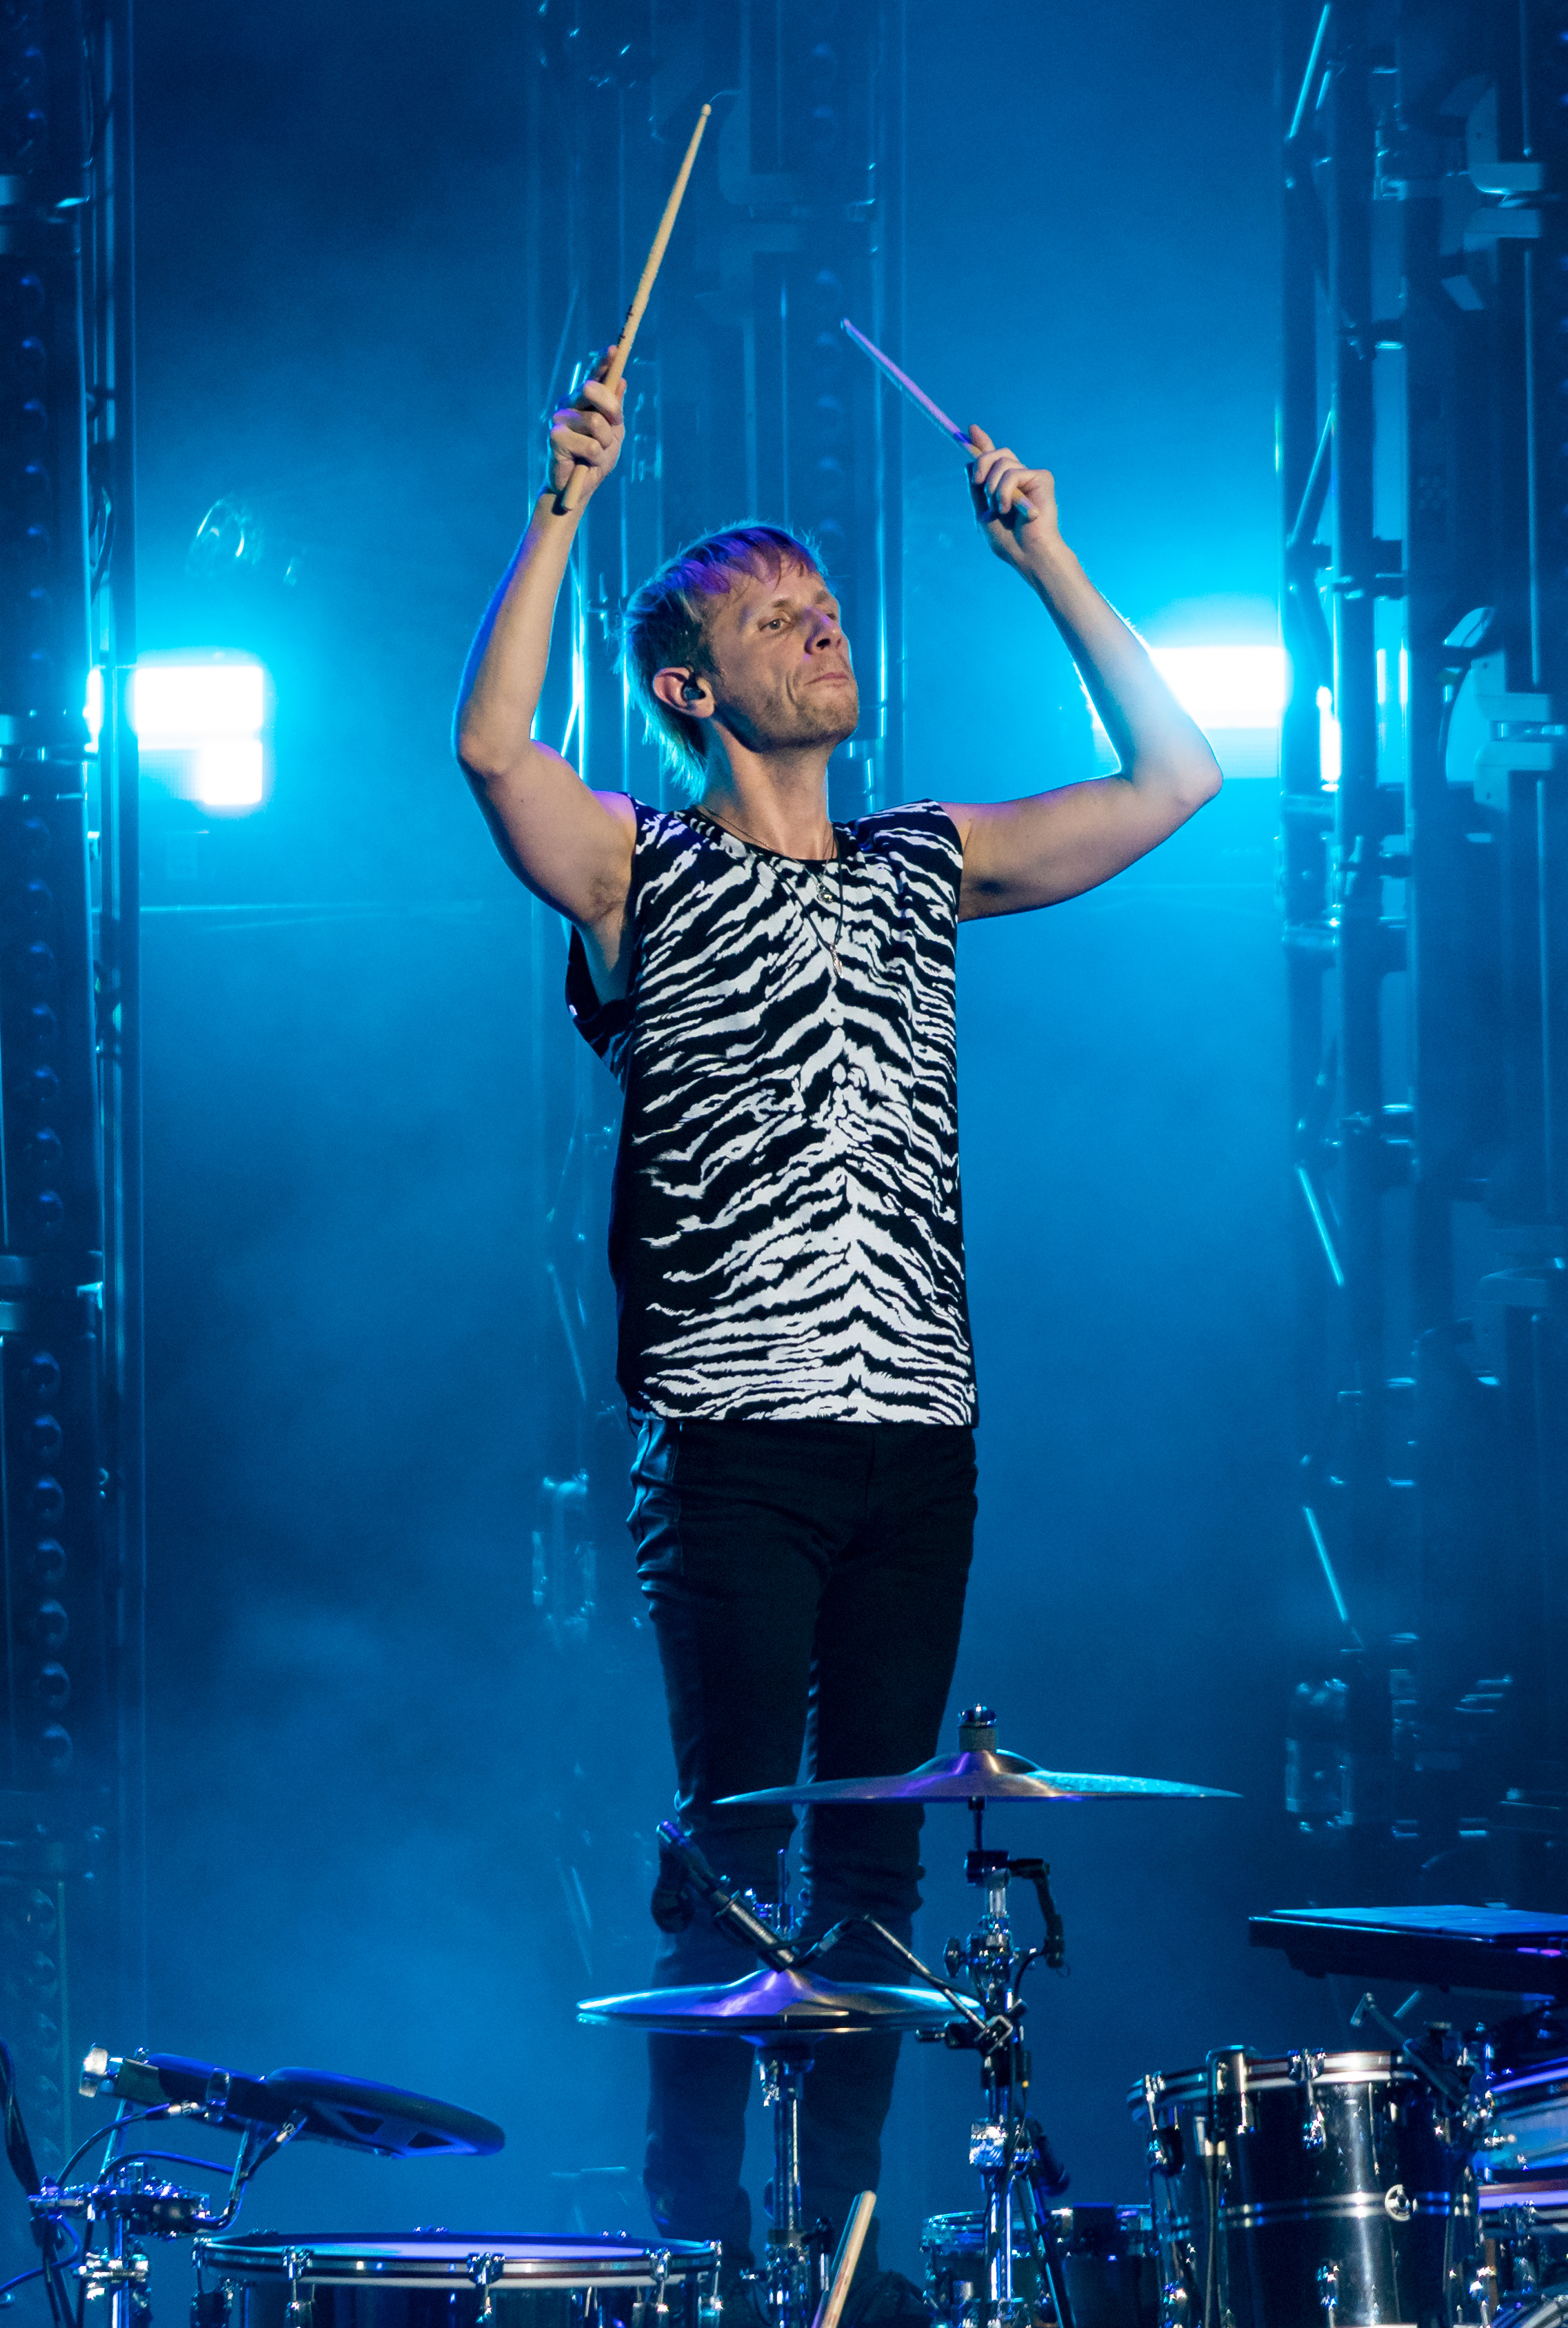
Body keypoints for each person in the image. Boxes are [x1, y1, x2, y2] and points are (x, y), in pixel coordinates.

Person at [454, 348, 1220, 2309]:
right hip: (733, 1441)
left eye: (824, 603)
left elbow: (1176, 780)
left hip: (918, 1442)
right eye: (769, 616)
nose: (820, 625)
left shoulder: (920, 860)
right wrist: (561, 504)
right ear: (692, 689)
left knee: (876, 1878)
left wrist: (1046, 559)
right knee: (733, 1851)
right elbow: (489, 757)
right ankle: (706, 2246)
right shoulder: (648, 864)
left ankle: (853, 2262)